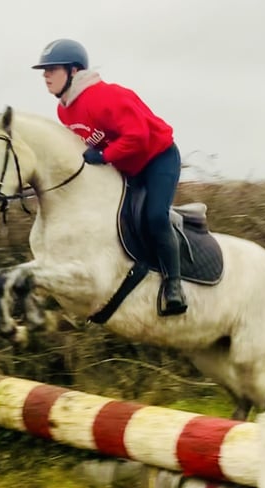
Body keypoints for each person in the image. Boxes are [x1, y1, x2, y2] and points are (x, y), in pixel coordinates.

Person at [32, 38, 187, 316]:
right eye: (44, 70)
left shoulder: (108, 96)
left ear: (74, 71)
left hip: (157, 159)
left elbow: (138, 137)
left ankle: (174, 286)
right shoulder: (63, 110)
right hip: (126, 166)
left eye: (52, 69)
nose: (45, 76)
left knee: (155, 217)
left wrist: (104, 156)